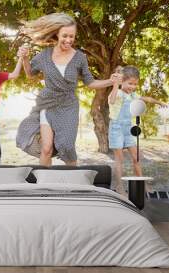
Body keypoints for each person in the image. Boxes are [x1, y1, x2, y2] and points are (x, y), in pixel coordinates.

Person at [16, 13, 121, 166]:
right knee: (46, 148)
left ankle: (74, 185)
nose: (69, 40)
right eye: (65, 36)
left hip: (68, 105)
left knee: (67, 147)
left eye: (72, 36)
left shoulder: (79, 57)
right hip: (48, 103)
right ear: (57, 34)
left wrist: (110, 81)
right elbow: (31, 74)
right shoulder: (44, 55)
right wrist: (25, 58)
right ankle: (44, 186)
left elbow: (90, 82)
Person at [108, 65, 167, 196]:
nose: (132, 87)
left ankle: (142, 184)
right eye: (130, 83)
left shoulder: (133, 95)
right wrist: (115, 85)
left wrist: (159, 102)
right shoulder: (117, 93)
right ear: (122, 81)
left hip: (128, 128)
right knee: (120, 160)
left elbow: (147, 99)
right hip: (116, 128)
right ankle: (119, 186)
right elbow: (111, 101)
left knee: (137, 158)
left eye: (135, 84)